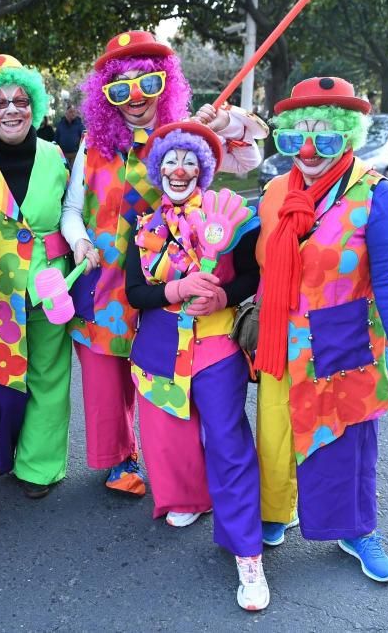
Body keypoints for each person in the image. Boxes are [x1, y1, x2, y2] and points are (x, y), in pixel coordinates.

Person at [60, 30, 266, 497]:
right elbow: (72, 210)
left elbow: (249, 159)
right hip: (104, 279)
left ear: (165, 85)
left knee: (172, 373)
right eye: (121, 87)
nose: (135, 97)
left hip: (169, 280)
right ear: (106, 96)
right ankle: (119, 460)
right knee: (105, 379)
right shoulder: (92, 144)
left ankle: (183, 467)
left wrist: (226, 121)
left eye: (147, 83)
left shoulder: (183, 136)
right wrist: (78, 242)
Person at [253, 76, 388, 582]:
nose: (307, 149)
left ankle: (357, 530)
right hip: (281, 338)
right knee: (276, 436)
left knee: (347, 441)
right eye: (294, 137)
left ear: (347, 136)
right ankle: (275, 512)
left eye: (324, 137)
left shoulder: (377, 194)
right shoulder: (277, 189)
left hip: (346, 338)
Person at [126, 120, 267, 610]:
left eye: (189, 161)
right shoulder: (144, 224)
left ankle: (247, 552)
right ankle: (188, 498)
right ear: (158, 168)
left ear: (204, 170)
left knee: (229, 446)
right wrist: (178, 289)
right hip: (160, 349)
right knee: (168, 439)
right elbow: (134, 292)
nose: (179, 170)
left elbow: (252, 273)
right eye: (170, 161)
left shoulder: (232, 215)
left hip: (215, 349)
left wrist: (223, 294)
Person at [0, 54, 73, 499]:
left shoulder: (56, 156)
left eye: (20, 101)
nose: (11, 110)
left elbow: (72, 211)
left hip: (50, 283)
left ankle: (39, 466)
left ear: (35, 105)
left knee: (49, 376)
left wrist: (78, 239)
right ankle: (5, 443)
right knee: (4, 385)